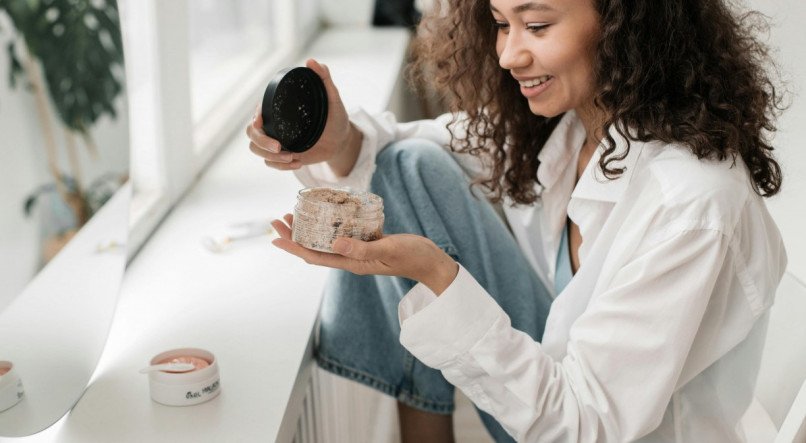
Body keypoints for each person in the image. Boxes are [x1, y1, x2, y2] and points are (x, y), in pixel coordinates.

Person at [246, 0, 788, 441]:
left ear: (627, 22)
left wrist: (439, 276)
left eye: (536, 25)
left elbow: (586, 424)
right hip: (560, 394)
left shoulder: (691, 205)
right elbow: (415, 152)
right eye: (501, 25)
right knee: (406, 164)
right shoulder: (578, 128)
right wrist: (337, 137)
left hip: (598, 430)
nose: (507, 54)